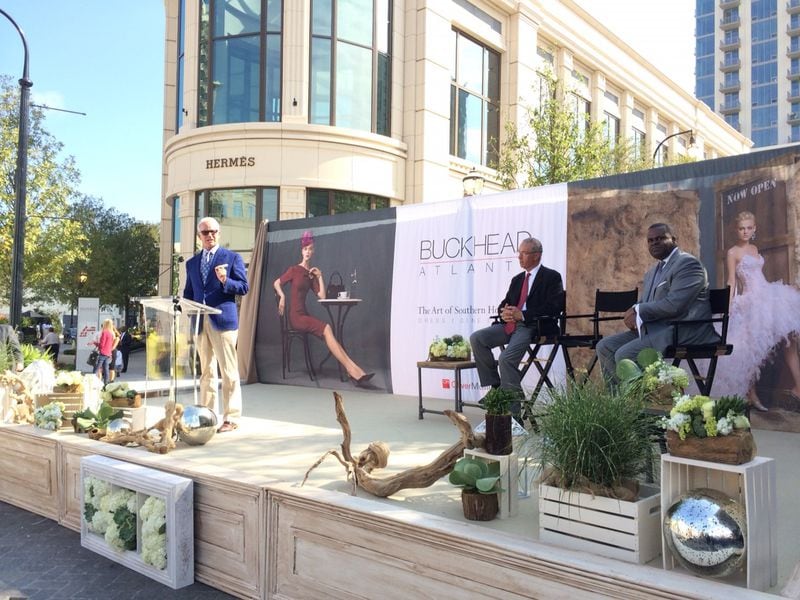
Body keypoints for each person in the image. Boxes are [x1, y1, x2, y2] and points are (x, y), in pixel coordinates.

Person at [596, 223, 720, 381]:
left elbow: (674, 305)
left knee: (625, 354)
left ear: (674, 240)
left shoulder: (688, 264)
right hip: (658, 329)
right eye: (650, 240)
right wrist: (634, 313)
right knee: (605, 346)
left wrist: (638, 310)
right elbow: (645, 302)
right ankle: (620, 402)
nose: (654, 242)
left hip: (685, 330)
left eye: (660, 238)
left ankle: (640, 401)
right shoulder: (652, 271)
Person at [713, 211, 800, 411]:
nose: (745, 231)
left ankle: (798, 387)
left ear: (754, 229)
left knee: (789, 337)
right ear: (736, 229)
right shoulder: (733, 252)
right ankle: (750, 392)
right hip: (751, 300)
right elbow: (732, 281)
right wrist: (729, 307)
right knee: (750, 348)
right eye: (742, 228)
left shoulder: (754, 247)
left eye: (749, 228)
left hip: (769, 294)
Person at [469, 237, 564, 411]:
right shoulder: (517, 279)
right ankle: (496, 387)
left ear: (536, 256)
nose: (519, 257)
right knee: (477, 338)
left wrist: (524, 315)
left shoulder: (552, 277)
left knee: (506, 359)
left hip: (532, 326)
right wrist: (503, 313)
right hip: (509, 325)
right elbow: (505, 302)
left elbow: (555, 307)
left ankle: (514, 413)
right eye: (519, 253)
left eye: (524, 253)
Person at [273, 230, 374, 386]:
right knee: (327, 328)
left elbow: (322, 296)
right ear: (302, 251)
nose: (307, 252)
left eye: (310, 249)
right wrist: (282, 296)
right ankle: (353, 371)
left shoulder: (311, 274)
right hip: (296, 317)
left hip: (304, 315)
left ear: (313, 251)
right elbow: (276, 283)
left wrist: (320, 277)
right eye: (305, 249)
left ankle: (354, 370)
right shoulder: (294, 270)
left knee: (329, 333)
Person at [184, 217, 249, 432]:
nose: (209, 235)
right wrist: (185, 309)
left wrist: (225, 281)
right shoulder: (192, 263)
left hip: (223, 321)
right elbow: (189, 293)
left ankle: (231, 417)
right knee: (207, 372)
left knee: (229, 372)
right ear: (198, 236)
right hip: (200, 322)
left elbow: (243, 287)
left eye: (213, 231)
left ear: (219, 233)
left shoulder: (231, 258)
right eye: (205, 232)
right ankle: (207, 415)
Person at [92, 319, 116, 385]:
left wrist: (95, 343)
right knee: (106, 369)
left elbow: (102, 344)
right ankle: (106, 384)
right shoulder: (111, 333)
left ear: (105, 324)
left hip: (102, 353)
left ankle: (91, 382)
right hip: (108, 353)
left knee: (96, 368)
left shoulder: (104, 332)